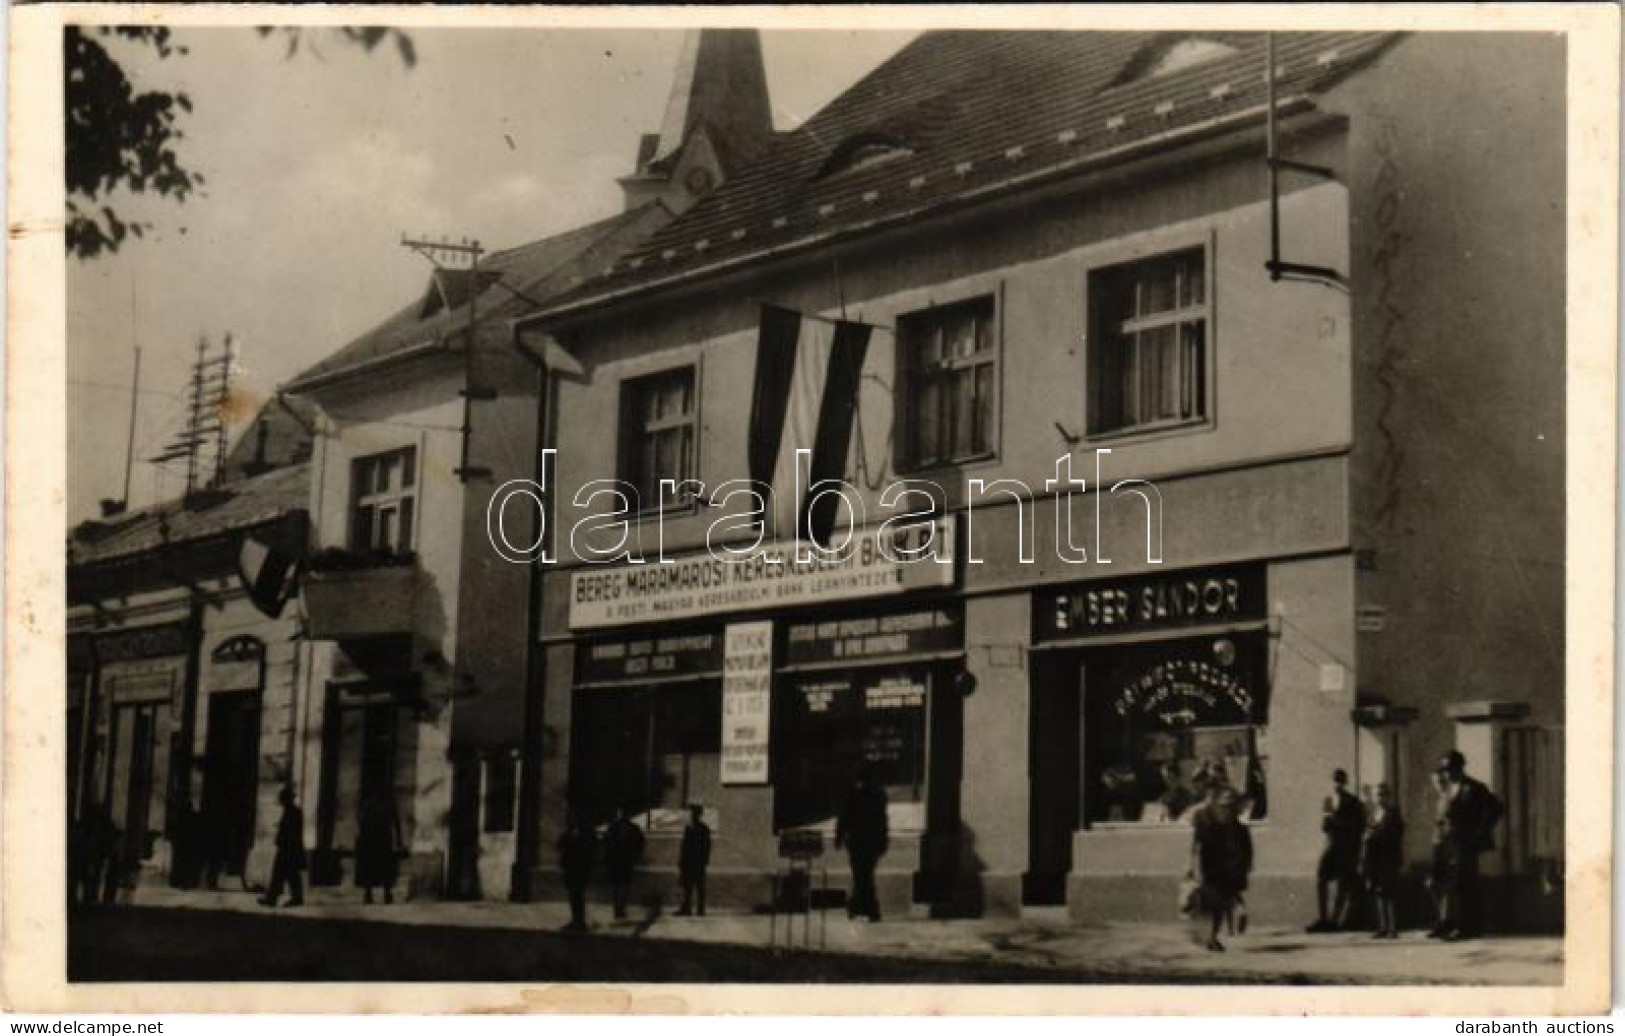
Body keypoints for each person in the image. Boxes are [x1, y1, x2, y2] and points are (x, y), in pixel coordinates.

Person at [1432, 750, 1502, 940]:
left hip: (1467, 843)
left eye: (1450, 769)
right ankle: (1455, 924)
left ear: (1459, 768)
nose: (1447, 773)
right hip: (1450, 842)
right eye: (1445, 770)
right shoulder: (1448, 789)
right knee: (1452, 883)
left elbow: (1496, 809)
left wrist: (1480, 831)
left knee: (1465, 884)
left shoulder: (1475, 788)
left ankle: (1465, 927)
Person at [1188, 783, 1253, 951]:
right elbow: (1199, 849)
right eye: (1225, 804)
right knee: (1214, 905)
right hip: (1212, 870)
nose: (1228, 809)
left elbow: (1247, 852)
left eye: (1232, 805)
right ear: (1217, 805)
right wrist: (1197, 870)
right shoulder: (1210, 826)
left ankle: (1214, 934)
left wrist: (1243, 870)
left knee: (1224, 902)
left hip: (1232, 870)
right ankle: (1211, 937)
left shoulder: (1241, 829)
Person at [1307, 768, 1366, 932]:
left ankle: (1334, 920)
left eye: (1340, 781)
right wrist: (1326, 819)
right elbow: (1324, 827)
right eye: (1334, 781)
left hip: (1346, 848)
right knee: (1321, 878)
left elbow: (1356, 828)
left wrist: (1334, 819)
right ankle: (1323, 918)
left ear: (1345, 782)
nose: (1337, 784)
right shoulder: (1328, 800)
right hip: (1331, 845)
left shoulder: (1353, 802)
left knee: (1343, 883)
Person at [836, 766, 889, 922]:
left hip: (857, 841)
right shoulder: (878, 794)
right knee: (864, 875)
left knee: (861, 875)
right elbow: (883, 821)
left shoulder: (853, 794)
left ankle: (862, 908)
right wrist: (883, 840)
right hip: (869, 841)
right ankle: (864, 908)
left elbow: (843, 817)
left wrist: (839, 837)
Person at [1360, 782, 1405, 938]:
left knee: (1389, 893)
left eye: (1383, 794)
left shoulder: (1393, 813)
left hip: (1389, 858)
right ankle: (1382, 926)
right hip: (1376, 859)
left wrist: (1376, 834)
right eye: (1378, 795)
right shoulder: (1374, 813)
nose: (1380, 798)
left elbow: (1395, 834)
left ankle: (1393, 927)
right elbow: (1369, 830)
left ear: (1388, 796)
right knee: (1379, 892)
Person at [259, 784, 306, 908]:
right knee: (286, 873)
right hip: (288, 847)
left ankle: (278, 898)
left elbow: (292, 832)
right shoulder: (292, 811)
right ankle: (277, 897)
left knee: (286, 873)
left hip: (289, 848)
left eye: (283, 799)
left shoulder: (293, 812)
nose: (281, 801)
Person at [355, 793, 403, 905]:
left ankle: (376, 893)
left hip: (376, 842)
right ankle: (379, 893)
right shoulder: (385, 805)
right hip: (379, 841)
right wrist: (399, 839)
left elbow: (360, 824)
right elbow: (396, 822)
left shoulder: (369, 805)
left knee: (376, 868)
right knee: (380, 868)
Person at [602, 807, 645, 921]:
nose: (621, 817)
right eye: (620, 814)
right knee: (616, 886)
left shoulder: (634, 829)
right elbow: (606, 843)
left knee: (624, 886)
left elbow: (640, 843)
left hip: (627, 862)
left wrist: (635, 857)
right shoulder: (612, 828)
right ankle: (617, 909)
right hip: (615, 862)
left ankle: (622, 908)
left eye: (623, 814)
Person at [557, 811, 596, 932]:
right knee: (574, 896)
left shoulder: (586, 836)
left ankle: (579, 920)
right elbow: (559, 846)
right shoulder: (568, 835)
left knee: (578, 895)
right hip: (571, 871)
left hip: (580, 871)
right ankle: (576, 919)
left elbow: (591, 852)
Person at [676, 804, 712, 917]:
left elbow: (707, 846)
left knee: (699, 885)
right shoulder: (688, 828)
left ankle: (700, 909)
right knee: (687, 886)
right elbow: (684, 845)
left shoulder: (704, 829)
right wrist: (681, 860)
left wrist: (704, 860)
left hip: (698, 862)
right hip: (688, 861)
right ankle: (686, 908)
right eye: (692, 813)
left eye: (694, 813)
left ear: (699, 815)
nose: (692, 816)